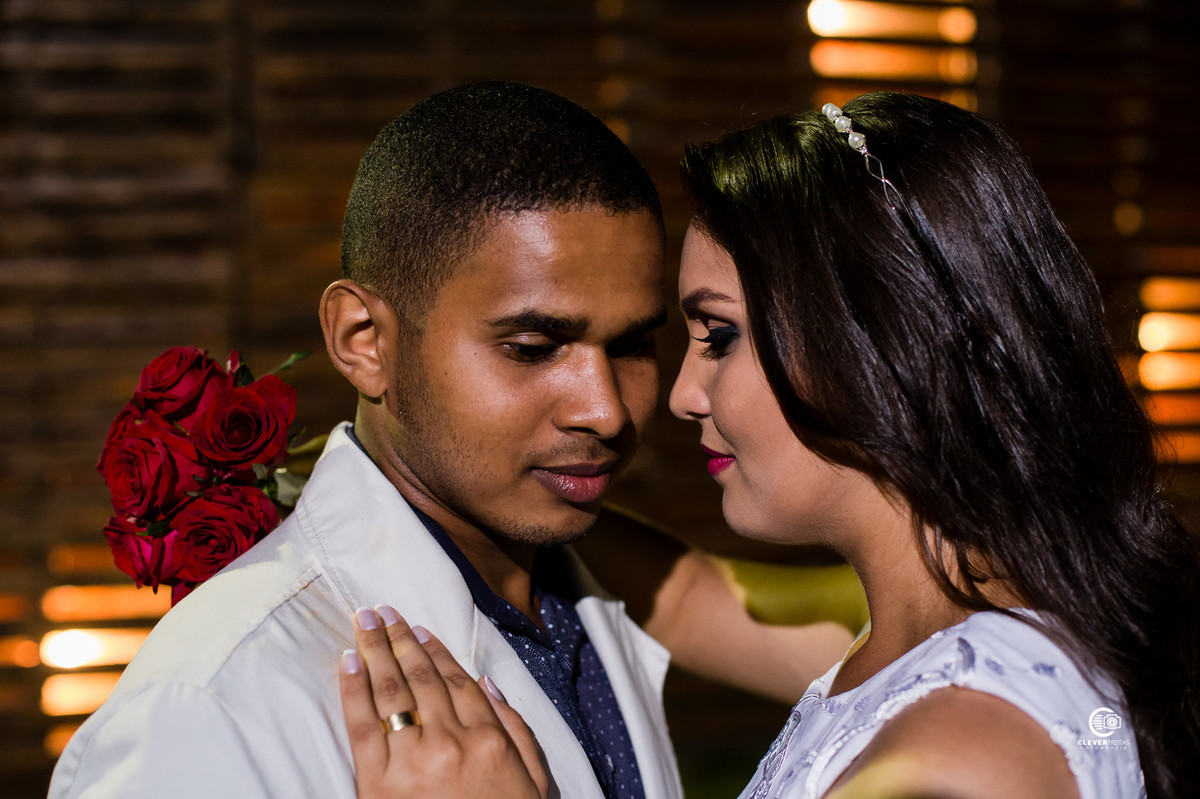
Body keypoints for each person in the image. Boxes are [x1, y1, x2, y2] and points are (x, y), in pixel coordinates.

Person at [336, 92, 1200, 799]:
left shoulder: (955, 761)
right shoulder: (979, 615)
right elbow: (687, 598)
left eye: (718, 336)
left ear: (874, 344)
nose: (677, 395)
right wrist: (375, 485)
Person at [49, 81, 859, 799]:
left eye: (632, 345)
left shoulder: (579, 580)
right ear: (364, 340)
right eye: (533, 348)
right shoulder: (212, 703)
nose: (607, 411)